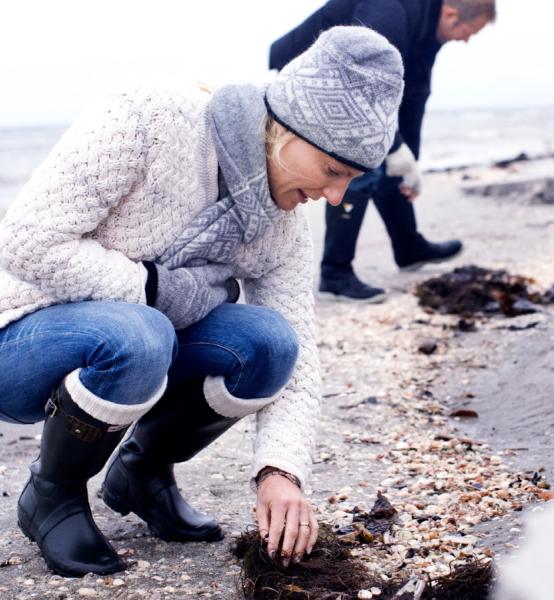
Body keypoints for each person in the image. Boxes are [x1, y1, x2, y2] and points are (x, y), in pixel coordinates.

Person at [0, 27, 404, 577]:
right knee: (144, 331)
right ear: (286, 129)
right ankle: (52, 494)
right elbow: (26, 240)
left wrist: (280, 472)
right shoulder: (151, 117)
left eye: (352, 179)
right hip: (21, 335)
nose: (335, 197)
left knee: (268, 344)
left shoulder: (281, 225)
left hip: (140, 344)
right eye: (332, 171)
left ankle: (143, 473)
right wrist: (153, 290)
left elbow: (300, 352)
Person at [270, 0, 496, 303]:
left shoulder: (431, 30)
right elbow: (364, 89)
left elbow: (413, 92)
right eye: (470, 31)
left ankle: (408, 247)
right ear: (452, 14)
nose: (467, 40)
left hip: (354, 85)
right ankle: (335, 274)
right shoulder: (391, 9)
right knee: (357, 163)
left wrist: (408, 158)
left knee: (389, 162)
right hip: (308, 71)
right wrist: (395, 148)